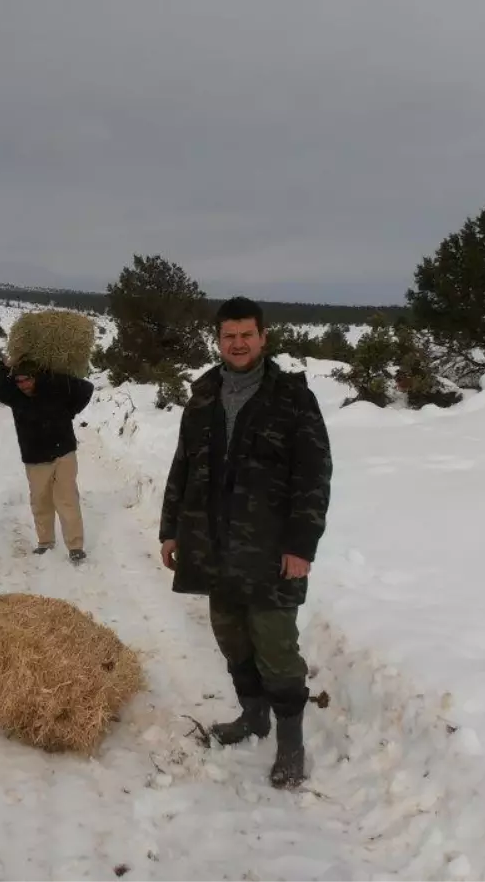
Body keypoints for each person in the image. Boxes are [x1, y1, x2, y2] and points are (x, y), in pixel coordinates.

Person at [158, 296, 332, 790]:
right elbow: (183, 466)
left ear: (263, 338)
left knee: (276, 649)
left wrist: (301, 545)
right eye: (228, 337)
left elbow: (314, 476)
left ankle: (291, 744)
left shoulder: (292, 398)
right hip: (213, 546)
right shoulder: (204, 394)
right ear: (219, 341)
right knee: (232, 640)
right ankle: (253, 717)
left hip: (271, 552)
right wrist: (171, 528)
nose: (237, 344)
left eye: (246, 335)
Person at [0, 356, 95, 564]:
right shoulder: (14, 394)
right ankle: (45, 542)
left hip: (64, 453)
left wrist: (70, 411)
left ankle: (75, 546)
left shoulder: (55, 385)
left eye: (28, 379)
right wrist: (3, 367)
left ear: (37, 376)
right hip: (35, 457)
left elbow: (86, 388)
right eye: (19, 380)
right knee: (40, 501)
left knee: (67, 500)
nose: (24, 385)